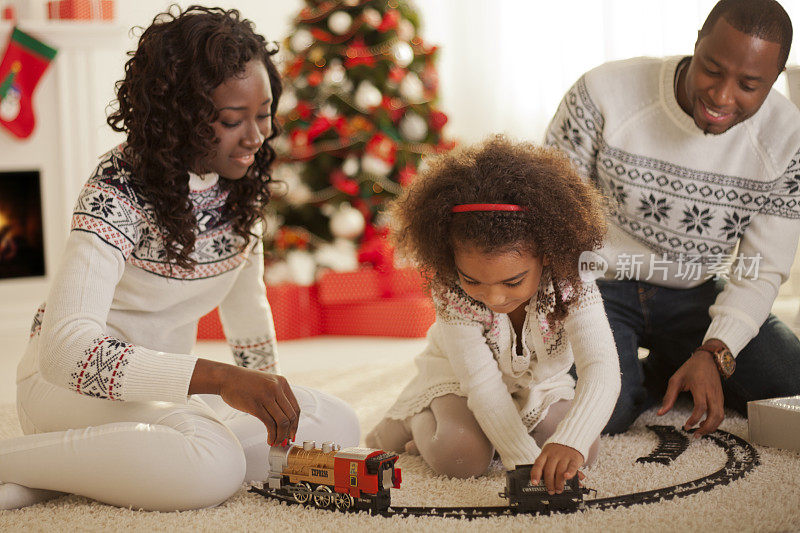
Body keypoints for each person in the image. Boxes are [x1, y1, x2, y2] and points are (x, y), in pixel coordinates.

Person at [0, 6, 359, 512]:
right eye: (234, 120)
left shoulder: (239, 185)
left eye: (264, 114)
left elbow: (246, 307)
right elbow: (64, 352)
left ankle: (78, 474)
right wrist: (219, 379)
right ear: (180, 117)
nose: (256, 138)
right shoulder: (116, 190)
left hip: (169, 396)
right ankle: (21, 459)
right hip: (65, 392)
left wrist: (272, 406)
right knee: (212, 462)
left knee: (337, 424)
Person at [544, 0, 800, 438]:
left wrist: (715, 350)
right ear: (697, 42)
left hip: (695, 291)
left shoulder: (787, 139)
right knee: (600, 412)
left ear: (775, 80)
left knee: (788, 384)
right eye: (712, 69)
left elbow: (761, 269)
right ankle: (638, 378)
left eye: (749, 84)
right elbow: (550, 220)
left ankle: (671, 364)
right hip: (599, 286)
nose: (722, 96)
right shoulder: (603, 92)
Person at [365, 136, 620, 495]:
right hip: (460, 378)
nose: (493, 296)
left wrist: (573, 440)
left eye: (512, 281)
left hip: (538, 384)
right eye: (473, 280)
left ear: (546, 255)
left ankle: (509, 429)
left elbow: (602, 366)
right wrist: (522, 461)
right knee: (462, 457)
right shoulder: (451, 291)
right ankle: (417, 419)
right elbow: (482, 386)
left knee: (584, 452)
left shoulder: (571, 281)